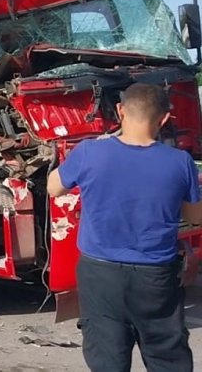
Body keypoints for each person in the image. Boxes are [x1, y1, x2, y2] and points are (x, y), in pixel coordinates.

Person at [48, 82, 202, 371]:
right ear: (165, 119)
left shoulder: (88, 152)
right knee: (167, 356)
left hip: (99, 274)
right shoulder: (180, 162)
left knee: (107, 358)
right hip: (155, 278)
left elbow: (53, 187)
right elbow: (196, 217)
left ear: (120, 111)